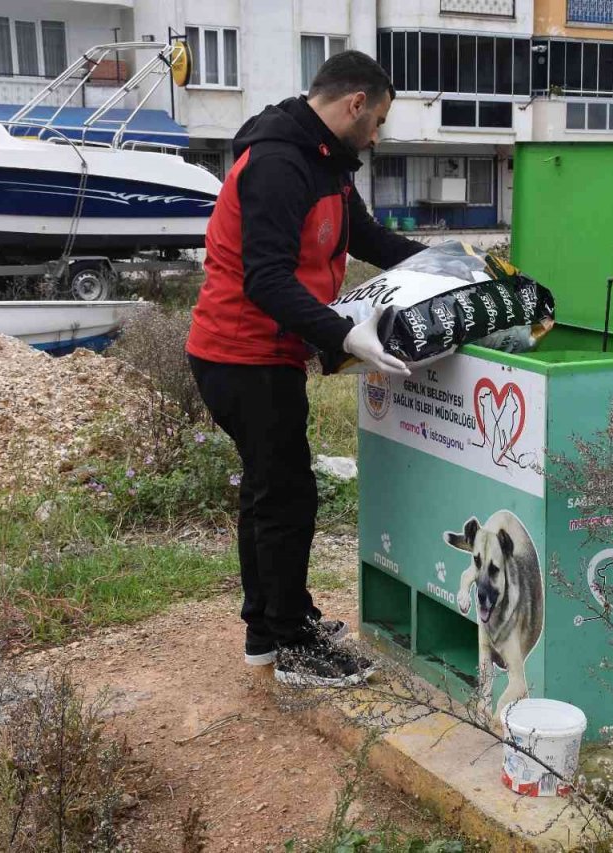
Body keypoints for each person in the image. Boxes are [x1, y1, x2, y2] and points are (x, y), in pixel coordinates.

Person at [186, 51, 425, 687]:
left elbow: (369, 241)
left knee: (270, 492)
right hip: (240, 355)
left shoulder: (325, 163)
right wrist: (345, 334)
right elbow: (264, 278)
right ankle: (291, 643)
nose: (375, 137)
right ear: (354, 104)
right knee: (287, 496)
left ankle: (267, 633)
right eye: (376, 121)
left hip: (266, 354)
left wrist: (448, 265)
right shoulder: (277, 164)